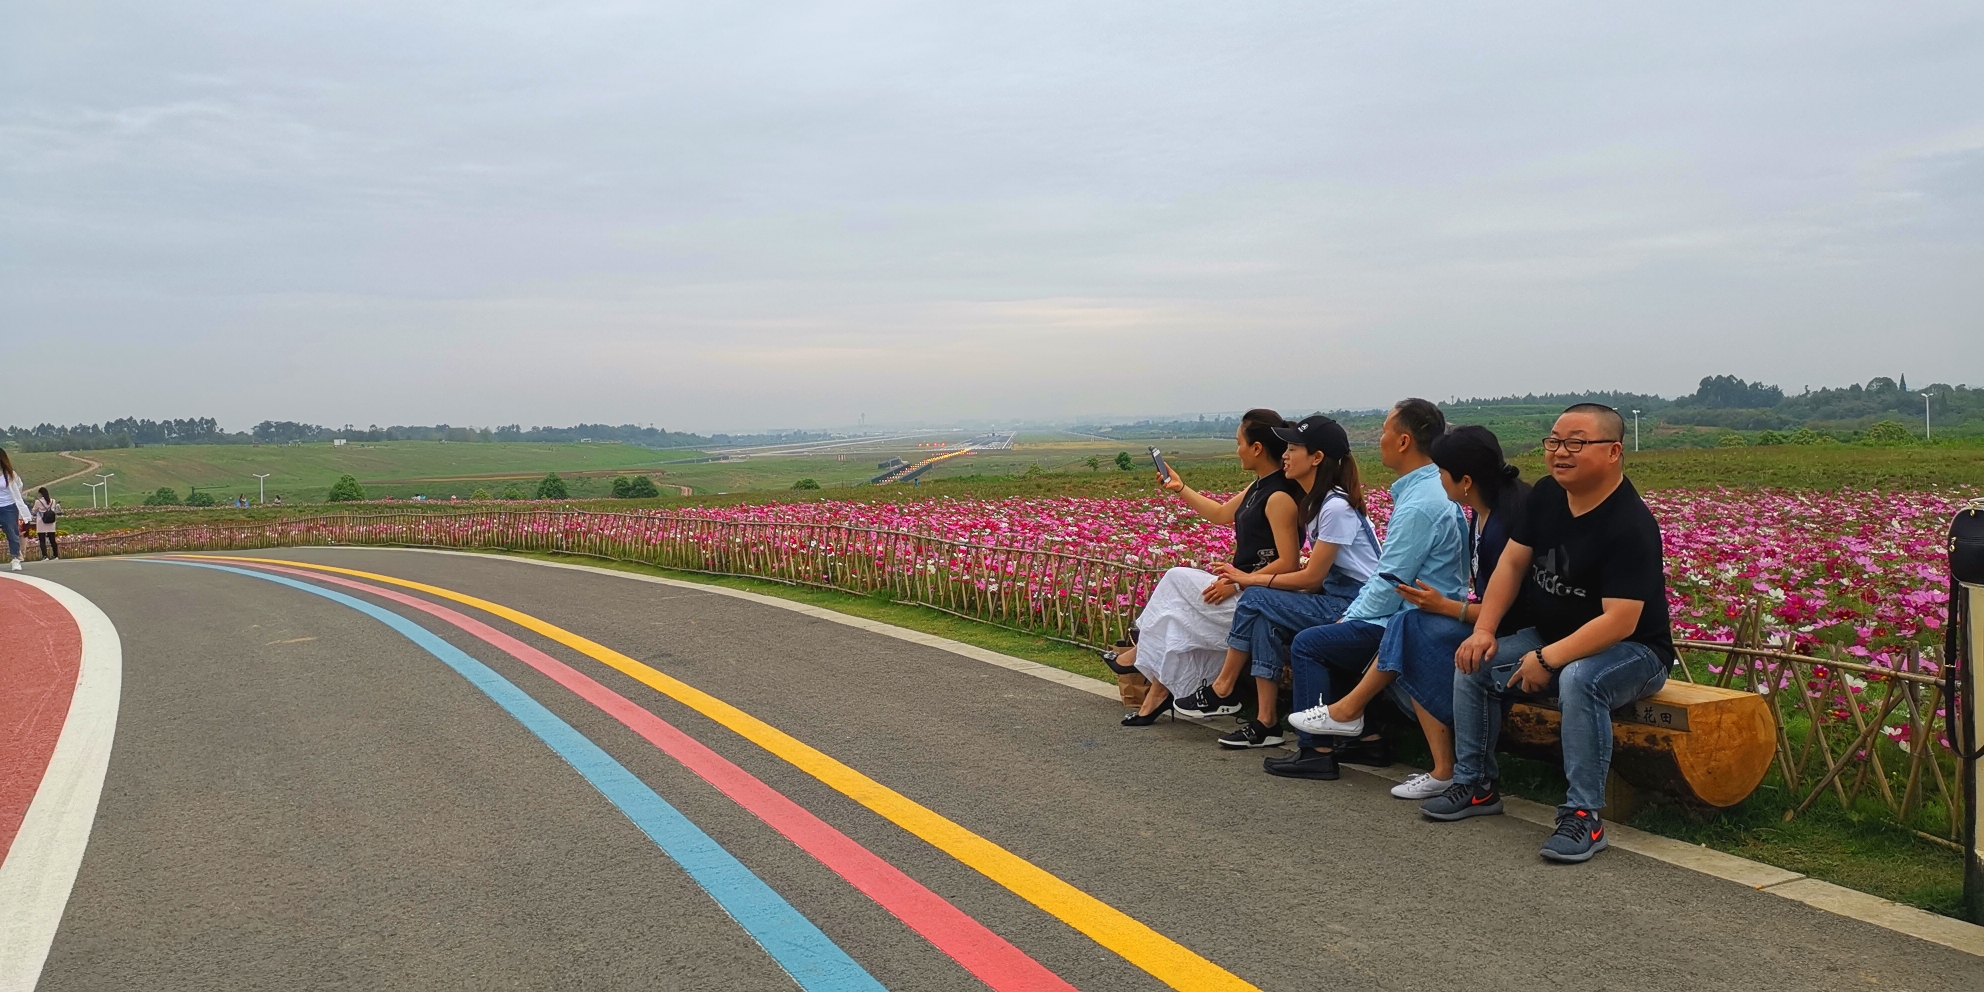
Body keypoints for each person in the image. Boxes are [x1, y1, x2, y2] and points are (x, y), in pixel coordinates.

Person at [1421, 404, 1674, 865]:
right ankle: (1476, 784)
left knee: (1581, 679)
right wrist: (1484, 630)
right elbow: (1513, 563)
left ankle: (1584, 814)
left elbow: (1620, 620)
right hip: (1554, 636)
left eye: (1576, 443)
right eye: (1554, 441)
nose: (1560, 452)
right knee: (1476, 662)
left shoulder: (1630, 524)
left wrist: (1548, 658)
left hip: (1633, 650)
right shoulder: (1547, 497)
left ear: (1614, 451)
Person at [1269, 398, 1469, 780]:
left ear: (1405, 441)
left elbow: (1390, 580)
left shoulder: (1419, 505)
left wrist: (1351, 616)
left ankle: (1316, 749)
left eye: (1384, 432)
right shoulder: (1427, 490)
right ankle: (1365, 737)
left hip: (1412, 618)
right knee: (1333, 637)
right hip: (1412, 613)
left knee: (1311, 643)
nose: (1379, 440)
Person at [1173, 416, 1381, 750]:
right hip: (1337, 597)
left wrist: (1245, 579)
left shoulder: (1335, 507)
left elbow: (1312, 576)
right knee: (1265, 617)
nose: (1285, 454)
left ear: (1316, 458)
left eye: (1294, 448)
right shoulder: (1319, 502)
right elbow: (1315, 580)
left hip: (1356, 606)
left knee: (1256, 596)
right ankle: (1266, 722)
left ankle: (1223, 687)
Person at [1106, 410, 1304, 726]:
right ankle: (1156, 693)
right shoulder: (1259, 487)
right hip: (1243, 587)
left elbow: (1289, 562)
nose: (1236, 449)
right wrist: (1180, 487)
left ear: (1256, 448)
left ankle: (1143, 664)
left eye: (1239, 442)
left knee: (1176, 582)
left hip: (1256, 597)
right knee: (1180, 617)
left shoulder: (1279, 496)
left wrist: (1239, 582)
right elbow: (1220, 514)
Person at [1360, 426, 1528, 799]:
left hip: (1514, 634)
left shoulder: (1506, 525)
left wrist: (1444, 606)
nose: (1437, 480)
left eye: (1441, 472)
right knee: (1409, 624)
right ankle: (1439, 765)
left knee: (1414, 633)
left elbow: (1510, 614)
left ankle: (1350, 713)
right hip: (1491, 625)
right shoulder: (1482, 514)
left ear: (1465, 481)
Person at [0, 449, 27, 571]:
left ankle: (16, 558)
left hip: (9, 507)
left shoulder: (10, 474)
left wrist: (16, 499)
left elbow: (19, 486)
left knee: (12, 533)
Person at [32, 487, 61, 560]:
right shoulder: (53, 501)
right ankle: (56, 555)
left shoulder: (38, 501)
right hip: (51, 522)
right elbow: (53, 509)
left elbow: (34, 511)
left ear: (40, 493)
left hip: (41, 521)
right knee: (52, 539)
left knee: (42, 540)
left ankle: (45, 556)